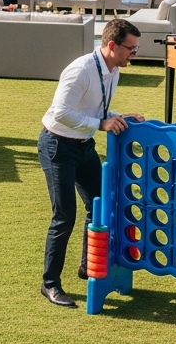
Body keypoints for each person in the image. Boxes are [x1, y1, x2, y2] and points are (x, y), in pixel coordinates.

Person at [38, 19, 144, 308]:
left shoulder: (113, 70)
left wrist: (119, 116)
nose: (134, 54)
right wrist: (101, 124)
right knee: (64, 216)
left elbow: (98, 110)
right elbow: (60, 113)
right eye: (131, 49)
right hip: (57, 145)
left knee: (99, 204)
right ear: (112, 45)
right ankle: (50, 284)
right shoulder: (81, 70)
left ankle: (88, 266)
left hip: (83, 146)